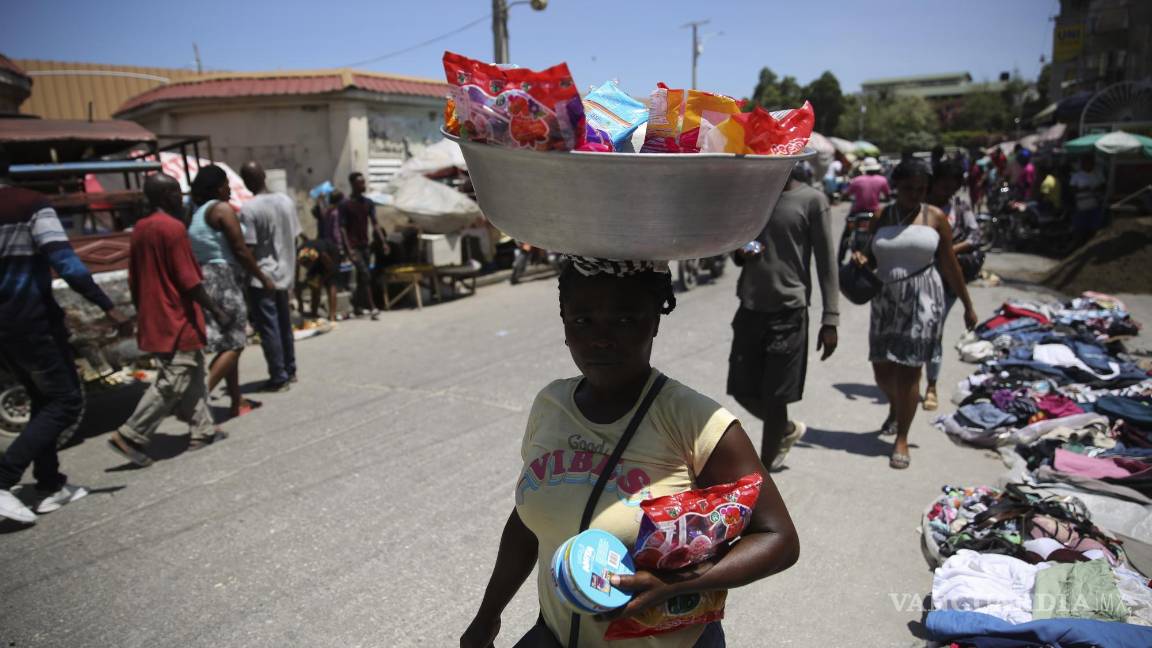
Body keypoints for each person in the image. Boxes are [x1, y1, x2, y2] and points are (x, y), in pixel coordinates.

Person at [460, 263, 799, 648]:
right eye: (583, 320)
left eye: (623, 319)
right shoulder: (551, 405)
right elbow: (527, 521)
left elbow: (779, 538)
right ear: (564, 322)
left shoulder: (695, 420)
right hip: (556, 636)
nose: (600, 339)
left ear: (654, 321)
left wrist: (674, 584)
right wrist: (487, 616)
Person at [0, 147, 132, 523]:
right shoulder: (30, 204)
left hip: (6, 329)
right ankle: (4, 478)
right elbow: (66, 262)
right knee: (67, 402)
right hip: (32, 319)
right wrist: (108, 306)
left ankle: (49, 485)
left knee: (44, 399)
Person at [852, 160, 977, 469]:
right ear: (896, 187)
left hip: (923, 303)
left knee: (909, 371)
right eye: (908, 188)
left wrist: (967, 304)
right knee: (882, 370)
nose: (914, 194)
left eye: (921, 189)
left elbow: (950, 264)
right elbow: (870, 253)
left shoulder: (935, 217)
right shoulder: (883, 216)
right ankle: (896, 406)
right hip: (885, 301)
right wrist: (860, 258)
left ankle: (902, 438)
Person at [107, 173, 231, 467]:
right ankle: (131, 434)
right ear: (165, 197)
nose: (181, 198)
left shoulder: (140, 229)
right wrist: (217, 309)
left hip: (155, 314)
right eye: (176, 192)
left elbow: (135, 277)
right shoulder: (173, 229)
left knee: (194, 372)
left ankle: (203, 430)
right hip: (176, 316)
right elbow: (189, 281)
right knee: (173, 379)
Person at [728, 164, 839, 470]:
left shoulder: (812, 200)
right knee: (741, 390)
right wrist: (741, 251)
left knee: (776, 397)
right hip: (749, 308)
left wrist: (831, 318)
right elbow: (735, 243)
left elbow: (827, 263)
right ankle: (786, 429)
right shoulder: (752, 197)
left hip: (788, 311)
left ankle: (763, 473)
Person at [188, 165, 274, 418]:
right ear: (217, 187)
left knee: (228, 341)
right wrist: (262, 277)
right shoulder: (221, 209)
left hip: (207, 280)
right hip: (224, 280)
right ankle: (196, 402)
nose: (229, 189)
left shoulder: (196, 213)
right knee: (236, 343)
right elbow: (240, 249)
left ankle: (236, 401)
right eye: (226, 183)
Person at [923, 160, 981, 412]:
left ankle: (931, 385)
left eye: (953, 183)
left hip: (947, 280)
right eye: (943, 181)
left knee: (934, 330)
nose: (947, 187)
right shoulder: (919, 204)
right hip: (919, 277)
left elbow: (975, 236)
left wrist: (948, 251)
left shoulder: (960, 206)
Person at [239, 161, 301, 392]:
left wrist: (246, 274)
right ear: (264, 176)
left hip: (261, 276)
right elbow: (295, 238)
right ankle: (290, 369)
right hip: (284, 273)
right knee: (284, 324)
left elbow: (250, 247)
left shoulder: (249, 209)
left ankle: (279, 375)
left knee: (269, 328)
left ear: (246, 182)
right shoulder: (285, 201)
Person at [339, 172, 388, 319]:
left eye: (364, 182)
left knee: (363, 277)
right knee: (365, 274)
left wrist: (383, 242)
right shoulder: (345, 205)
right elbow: (342, 229)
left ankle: (357, 305)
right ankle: (372, 308)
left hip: (365, 245)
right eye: (360, 183)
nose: (364, 185)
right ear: (353, 185)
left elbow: (375, 223)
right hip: (354, 247)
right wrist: (348, 250)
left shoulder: (368, 203)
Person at [1069, 156, 1105, 238]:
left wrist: (1097, 189)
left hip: (1096, 205)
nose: (1089, 165)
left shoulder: (1097, 174)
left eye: (1090, 163)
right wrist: (1084, 190)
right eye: (1085, 163)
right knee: (1081, 229)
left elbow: (1104, 186)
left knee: (1095, 228)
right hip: (1082, 206)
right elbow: (1072, 190)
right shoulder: (1076, 175)